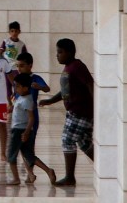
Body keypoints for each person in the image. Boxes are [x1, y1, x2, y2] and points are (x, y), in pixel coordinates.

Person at [40, 37, 94, 186]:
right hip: (74, 111)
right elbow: (65, 91)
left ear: (70, 52)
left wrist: (98, 106)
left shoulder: (77, 66)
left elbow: (90, 84)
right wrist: (50, 101)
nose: (57, 55)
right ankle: (107, 168)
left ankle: (70, 177)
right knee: (84, 143)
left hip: (81, 112)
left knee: (67, 139)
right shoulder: (68, 68)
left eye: (60, 52)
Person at [14, 52, 56, 184]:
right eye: (18, 66)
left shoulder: (35, 78)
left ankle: (44, 171)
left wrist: (40, 87)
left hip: (31, 117)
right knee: (21, 147)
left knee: (27, 147)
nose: (19, 69)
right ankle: (30, 173)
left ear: (30, 65)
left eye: (22, 66)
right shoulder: (19, 79)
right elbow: (16, 96)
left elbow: (47, 88)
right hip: (19, 117)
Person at [5, 73, 36, 185]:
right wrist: (11, 109)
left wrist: (27, 131)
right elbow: (18, 109)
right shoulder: (20, 97)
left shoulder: (27, 100)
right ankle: (48, 171)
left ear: (25, 88)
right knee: (28, 155)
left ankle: (16, 178)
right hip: (18, 129)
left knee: (11, 156)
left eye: (17, 86)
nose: (15, 88)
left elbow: (31, 118)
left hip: (19, 130)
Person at [0, 21, 28, 105]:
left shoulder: (21, 44)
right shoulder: (6, 41)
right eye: (12, 31)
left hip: (16, 69)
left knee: (17, 86)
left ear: (19, 31)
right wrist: (2, 62)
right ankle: (9, 104)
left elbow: (24, 57)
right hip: (7, 68)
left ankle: (16, 101)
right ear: (9, 32)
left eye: (16, 31)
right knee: (7, 86)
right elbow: (0, 53)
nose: (14, 33)